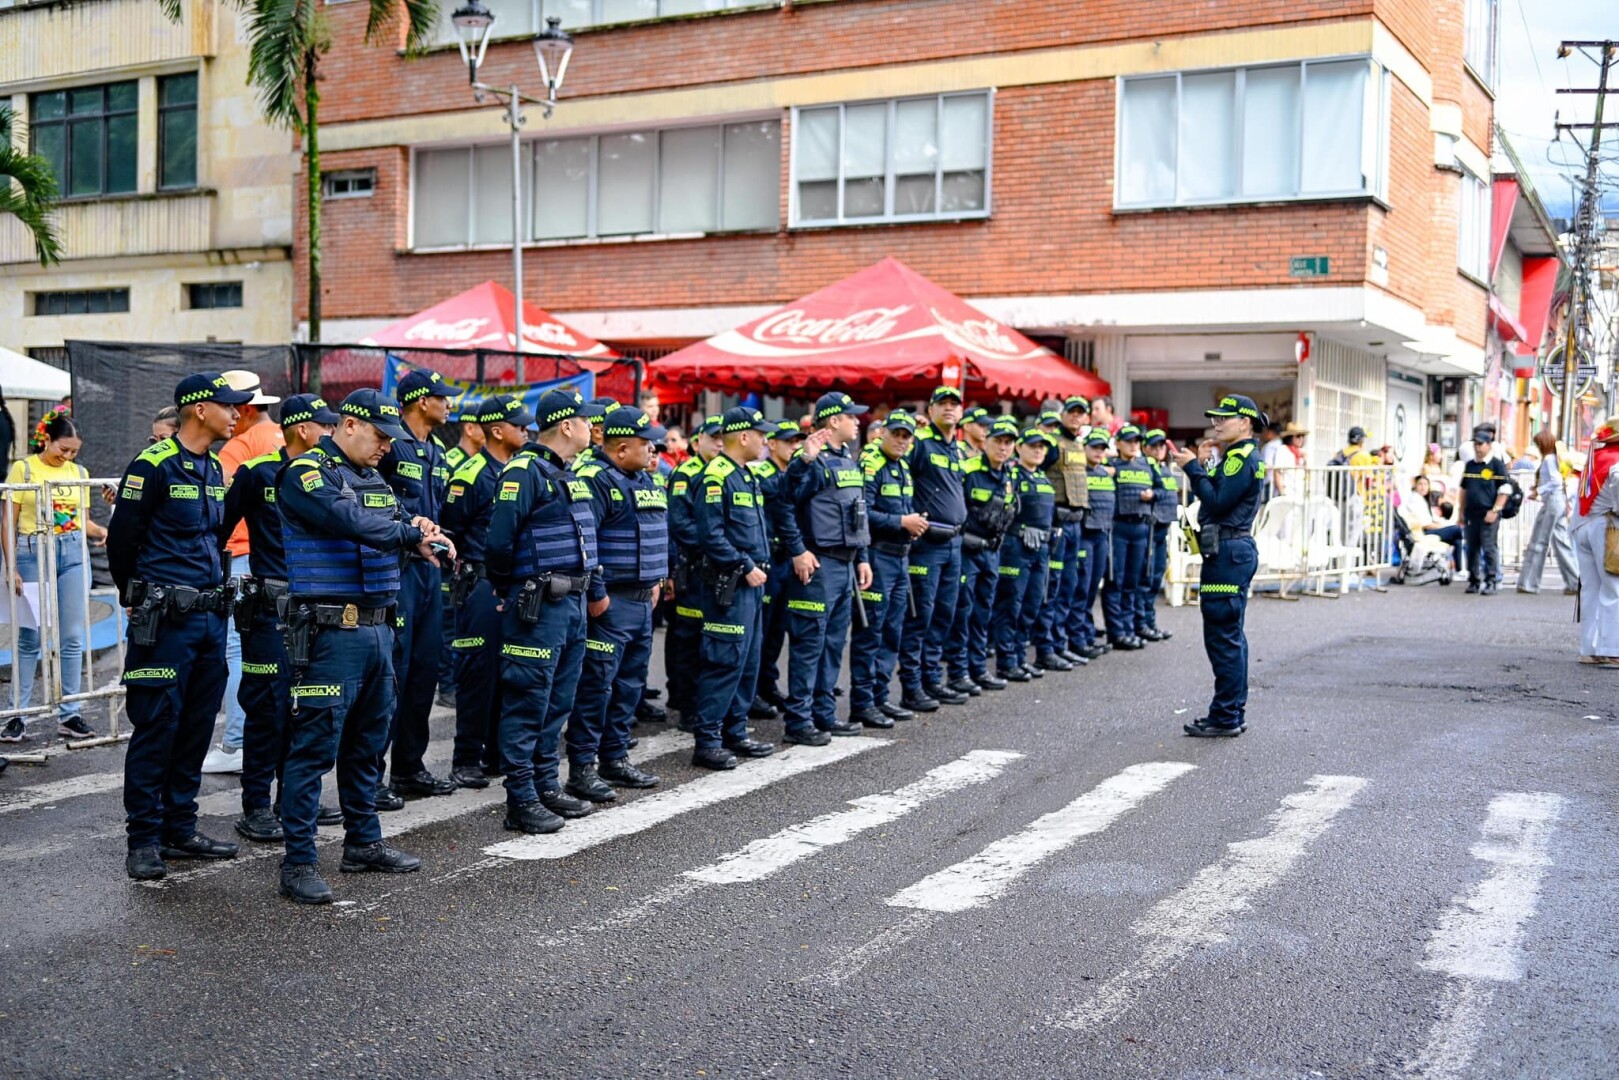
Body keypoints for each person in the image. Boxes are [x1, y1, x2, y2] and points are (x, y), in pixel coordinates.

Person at [274, 389, 452, 903]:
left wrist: (421, 528)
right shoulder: (306, 473)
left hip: (378, 629)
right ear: (348, 424)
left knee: (368, 744)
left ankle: (363, 843)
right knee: (314, 747)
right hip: (332, 633)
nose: (386, 448)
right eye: (379, 436)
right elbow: (350, 522)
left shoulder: (374, 477)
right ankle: (299, 862)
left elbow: (394, 521)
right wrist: (406, 532)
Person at [109, 372, 253, 882]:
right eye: (228, 406)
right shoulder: (151, 466)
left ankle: (180, 828)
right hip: (164, 621)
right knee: (157, 726)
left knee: (195, 726)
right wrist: (137, 598)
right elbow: (121, 542)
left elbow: (212, 540)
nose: (237, 414)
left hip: (209, 619)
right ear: (198, 410)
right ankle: (144, 839)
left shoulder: (213, 466)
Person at [220, 394, 341, 843]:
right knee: (267, 707)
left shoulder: (328, 474)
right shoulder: (257, 473)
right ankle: (255, 806)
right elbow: (221, 529)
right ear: (303, 429)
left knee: (308, 705)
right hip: (269, 609)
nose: (331, 433)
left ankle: (293, 799)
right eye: (325, 426)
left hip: (314, 610)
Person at [485, 389, 604, 832]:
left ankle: (545, 786)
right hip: (537, 605)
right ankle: (521, 799)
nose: (594, 428)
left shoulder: (567, 474)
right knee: (528, 701)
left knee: (557, 702)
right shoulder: (524, 471)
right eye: (587, 421)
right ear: (567, 426)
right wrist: (508, 589)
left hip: (570, 603)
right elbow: (498, 542)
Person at [564, 405, 669, 801]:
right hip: (611, 603)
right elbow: (584, 542)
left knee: (629, 685)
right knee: (596, 687)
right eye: (646, 443)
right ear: (622, 447)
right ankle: (582, 768)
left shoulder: (643, 478)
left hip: (643, 600)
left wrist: (657, 580)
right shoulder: (594, 479)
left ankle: (615, 758)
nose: (653, 450)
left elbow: (656, 531)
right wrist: (596, 594)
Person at [440, 396, 534, 789]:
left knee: (508, 673)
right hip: (479, 584)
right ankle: (465, 758)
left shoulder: (518, 469)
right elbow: (449, 534)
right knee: (477, 673)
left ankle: (496, 754)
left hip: (510, 586)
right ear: (497, 430)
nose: (526, 430)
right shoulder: (472, 473)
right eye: (519, 425)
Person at [376, 368, 455, 804]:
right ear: (422, 401)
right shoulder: (390, 443)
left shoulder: (436, 449)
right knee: (394, 673)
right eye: (443, 397)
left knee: (425, 669)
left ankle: (410, 768)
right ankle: (372, 775)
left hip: (429, 570)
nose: (449, 404)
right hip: (397, 568)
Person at [2, 414, 106, 743]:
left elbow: (83, 521)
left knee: (73, 636)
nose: (68, 457)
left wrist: (101, 531)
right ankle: (18, 714)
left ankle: (70, 712)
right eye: (64, 449)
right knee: (29, 637)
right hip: (33, 551)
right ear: (46, 440)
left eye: (74, 451)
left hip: (73, 553)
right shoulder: (24, 469)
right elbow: (8, 522)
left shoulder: (79, 473)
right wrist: (10, 566)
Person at [200, 371, 284, 776]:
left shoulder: (240, 445)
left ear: (247, 408)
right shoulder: (287, 438)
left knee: (239, 653)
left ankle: (237, 742)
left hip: (244, 556)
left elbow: (220, 504)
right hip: (281, 562)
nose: (231, 413)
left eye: (235, 405)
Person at [781, 392, 873, 743]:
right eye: (852, 416)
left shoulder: (845, 459)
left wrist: (862, 558)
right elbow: (785, 505)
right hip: (819, 564)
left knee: (833, 643)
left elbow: (856, 512)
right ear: (833, 420)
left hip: (845, 564)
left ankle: (823, 713)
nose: (858, 421)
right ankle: (799, 722)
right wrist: (798, 551)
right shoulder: (811, 460)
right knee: (809, 645)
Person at [1173, 394, 1266, 737]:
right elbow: (1220, 494)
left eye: (1224, 418)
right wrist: (1205, 465)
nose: (1216, 423)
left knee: (1223, 638)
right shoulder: (1236, 457)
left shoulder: (1240, 459)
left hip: (1228, 553)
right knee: (1229, 637)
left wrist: (1192, 469)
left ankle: (1226, 716)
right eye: (1215, 417)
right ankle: (1229, 713)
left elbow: (1216, 501)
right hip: (1230, 550)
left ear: (1245, 422)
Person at [688, 407, 776, 768]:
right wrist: (745, 565)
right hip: (731, 584)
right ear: (743, 436)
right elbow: (710, 536)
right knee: (724, 661)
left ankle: (735, 732)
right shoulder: (716, 476)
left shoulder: (745, 475)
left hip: (751, 586)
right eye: (761, 434)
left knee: (748, 662)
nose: (766, 442)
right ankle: (707, 741)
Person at [849, 411, 927, 726]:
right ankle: (862, 703)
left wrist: (913, 521)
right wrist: (901, 522)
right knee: (871, 632)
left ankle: (880, 697)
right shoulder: (872, 464)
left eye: (907, 436)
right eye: (896, 434)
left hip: (901, 557)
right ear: (882, 433)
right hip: (879, 558)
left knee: (893, 631)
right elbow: (862, 514)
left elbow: (903, 511)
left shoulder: (904, 468)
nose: (901, 440)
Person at [900, 387, 969, 711]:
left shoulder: (959, 449)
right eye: (942, 404)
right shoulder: (920, 444)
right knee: (920, 617)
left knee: (944, 615)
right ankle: (912, 687)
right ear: (930, 410)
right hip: (927, 544)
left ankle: (931, 681)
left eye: (954, 405)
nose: (949, 409)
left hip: (954, 543)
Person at [948, 418, 1019, 691]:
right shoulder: (969, 469)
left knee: (983, 612)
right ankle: (957, 672)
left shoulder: (1008, 475)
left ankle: (978, 669)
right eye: (998, 441)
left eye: (1008, 443)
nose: (1003, 448)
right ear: (986, 441)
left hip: (992, 551)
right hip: (967, 551)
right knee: (962, 612)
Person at [751, 420, 810, 718]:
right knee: (761, 628)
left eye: (798, 442)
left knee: (778, 629)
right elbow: (776, 494)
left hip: (789, 558)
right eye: (789, 442)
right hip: (769, 559)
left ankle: (767, 684)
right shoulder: (761, 472)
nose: (795, 447)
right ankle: (752, 691)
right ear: (771, 444)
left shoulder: (793, 474)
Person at [665, 415, 721, 728]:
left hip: (715, 568)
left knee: (709, 638)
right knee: (687, 638)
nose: (718, 443)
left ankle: (702, 700)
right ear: (697, 441)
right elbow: (680, 525)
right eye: (713, 438)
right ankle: (686, 704)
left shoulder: (721, 472)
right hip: (691, 567)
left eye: (721, 438)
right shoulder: (685, 473)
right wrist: (713, 543)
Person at [995, 427, 1058, 680]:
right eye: (1032, 445)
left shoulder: (1043, 478)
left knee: (1032, 604)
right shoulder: (1011, 476)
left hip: (1041, 548)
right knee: (1011, 604)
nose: (1038, 450)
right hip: (1016, 547)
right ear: (1019, 448)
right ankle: (1006, 661)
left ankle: (1020, 657)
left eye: (1041, 446)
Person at [437, 398, 483, 710]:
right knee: (448, 626)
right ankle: (447, 686)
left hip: (470, 566)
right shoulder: (452, 460)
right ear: (469, 428)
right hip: (448, 560)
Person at [1101, 424, 1160, 650]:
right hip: (1118, 527)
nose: (1133, 445)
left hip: (1141, 528)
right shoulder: (1111, 466)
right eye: (1129, 441)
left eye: (1136, 441)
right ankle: (1116, 633)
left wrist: (1153, 494)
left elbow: (1164, 491)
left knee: (1133, 582)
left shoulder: (1147, 466)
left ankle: (1128, 629)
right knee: (1116, 580)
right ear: (1118, 444)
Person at [1046, 395, 1092, 668]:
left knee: (1069, 586)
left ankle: (1060, 644)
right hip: (1058, 523)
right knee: (1053, 587)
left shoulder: (1077, 445)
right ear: (1062, 415)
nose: (1075, 417)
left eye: (1080, 413)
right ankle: (1049, 647)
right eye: (1071, 413)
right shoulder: (1052, 444)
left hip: (1075, 522)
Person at [1573, 415, 1619, 664]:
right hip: (1607, 526)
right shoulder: (1617, 458)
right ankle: (1612, 650)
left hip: (1583, 524)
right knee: (1614, 588)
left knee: (1591, 589)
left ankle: (1589, 648)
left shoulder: (1596, 457)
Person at [1518, 430, 1580, 595]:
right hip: (1557, 500)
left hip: (1552, 501)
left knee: (1539, 541)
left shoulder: (1548, 459)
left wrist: (1537, 490)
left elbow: (1555, 481)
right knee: (1561, 542)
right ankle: (1575, 582)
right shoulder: (1555, 458)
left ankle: (1529, 583)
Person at [1074, 429, 1116, 659]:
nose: (1099, 452)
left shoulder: (1106, 473)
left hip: (1102, 534)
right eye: (1094, 447)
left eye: (1102, 448)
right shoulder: (1078, 472)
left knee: (1091, 590)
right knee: (1081, 588)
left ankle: (1087, 634)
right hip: (1084, 534)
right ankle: (1078, 639)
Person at [1460, 426, 1512, 595]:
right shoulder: (1470, 465)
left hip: (1488, 513)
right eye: (1476, 444)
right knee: (1472, 548)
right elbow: (1464, 489)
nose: (1478, 447)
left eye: (1481, 444)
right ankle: (1474, 580)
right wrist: (1461, 511)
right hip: (1472, 513)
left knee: (1489, 547)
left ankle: (1491, 580)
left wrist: (1495, 510)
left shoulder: (1497, 465)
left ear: (1489, 445)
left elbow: (1505, 490)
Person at [1140, 428, 1181, 642]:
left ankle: (1149, 622)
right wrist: (1157, 493)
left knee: (1156, 576)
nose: (1158, 450)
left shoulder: (1163, 468)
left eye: (1161, 445)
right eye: (1154, 446)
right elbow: (1155, 492)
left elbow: (1168, 491)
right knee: (1147, 577)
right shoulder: (1145, 468)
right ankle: (1142, 623)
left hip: (1162, 527)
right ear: (1145, 447)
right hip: (1150, 527)